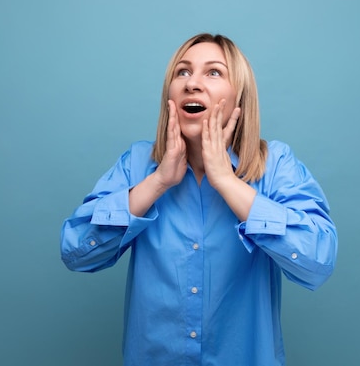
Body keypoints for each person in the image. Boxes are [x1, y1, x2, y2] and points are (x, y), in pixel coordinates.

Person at [60, 33, 338, 366]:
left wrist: (226, 182)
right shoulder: (136, 165)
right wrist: (158, 182)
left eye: (214, 72)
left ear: (240, 99)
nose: (193, 83)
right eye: (183, 72)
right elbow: (75, 251)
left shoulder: (276, 165)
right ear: (170, 96)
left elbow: (318, 261)